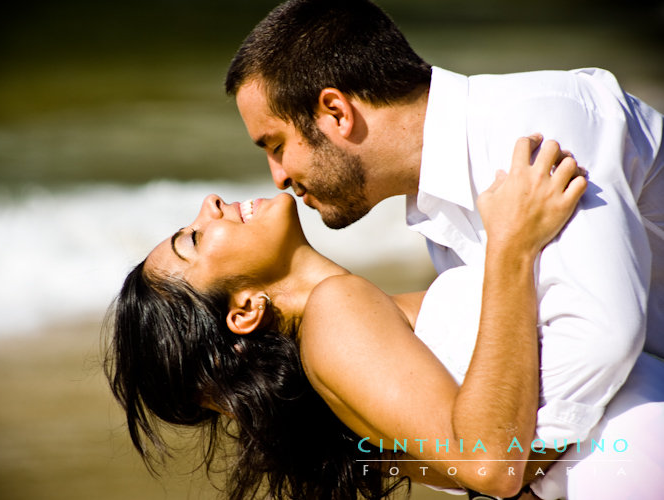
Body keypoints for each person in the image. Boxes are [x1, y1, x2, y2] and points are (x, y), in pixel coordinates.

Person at [225, 2, 664, 496]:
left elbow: (601, 334)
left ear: (336, 112)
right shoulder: (435, 207)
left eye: (276, 144)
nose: (278, 177)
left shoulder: (535, 130)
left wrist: (506, 464)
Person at [105, 136, 661, 499]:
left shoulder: (345, 347)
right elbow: (491, 466)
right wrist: (511, 248)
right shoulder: (333, 313)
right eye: (195, 239)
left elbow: (497, 469)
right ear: (246, 310)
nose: (211, 203)